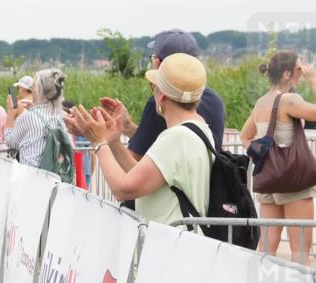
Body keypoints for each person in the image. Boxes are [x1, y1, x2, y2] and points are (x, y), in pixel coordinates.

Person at [66, 53, 213, 229]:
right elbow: (141, 176)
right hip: (182, 243)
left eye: (154, 87)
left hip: (168, 245)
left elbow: (123, 189)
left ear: (162, 96)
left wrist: (98, 142)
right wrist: (113, 141)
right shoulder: (199, 129)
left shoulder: (176, 138)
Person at [96, 29, 225, 163]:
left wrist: (101, 141)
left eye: (153, 57)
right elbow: (165, 144)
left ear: (158, 63)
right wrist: (128, 127)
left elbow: (133, 168)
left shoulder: (163, 101)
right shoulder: (214, 100)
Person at [241, 51, 316, 265]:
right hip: (293, 181)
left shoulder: (261, 102)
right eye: (299, 70)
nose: (301, 74)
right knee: (300, 250)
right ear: (286, 74)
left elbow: (245, 137)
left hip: (270, 181)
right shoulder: (288, 100)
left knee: (266, 248)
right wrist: (313, 80)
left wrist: (265, 156)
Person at [4, 69, 70, 170]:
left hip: (32, 176)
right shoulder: (63, 115)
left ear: (39, 90)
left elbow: (11, 141)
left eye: (34, 86)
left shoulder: (29, 117)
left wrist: (10, 113)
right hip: (58, 176)